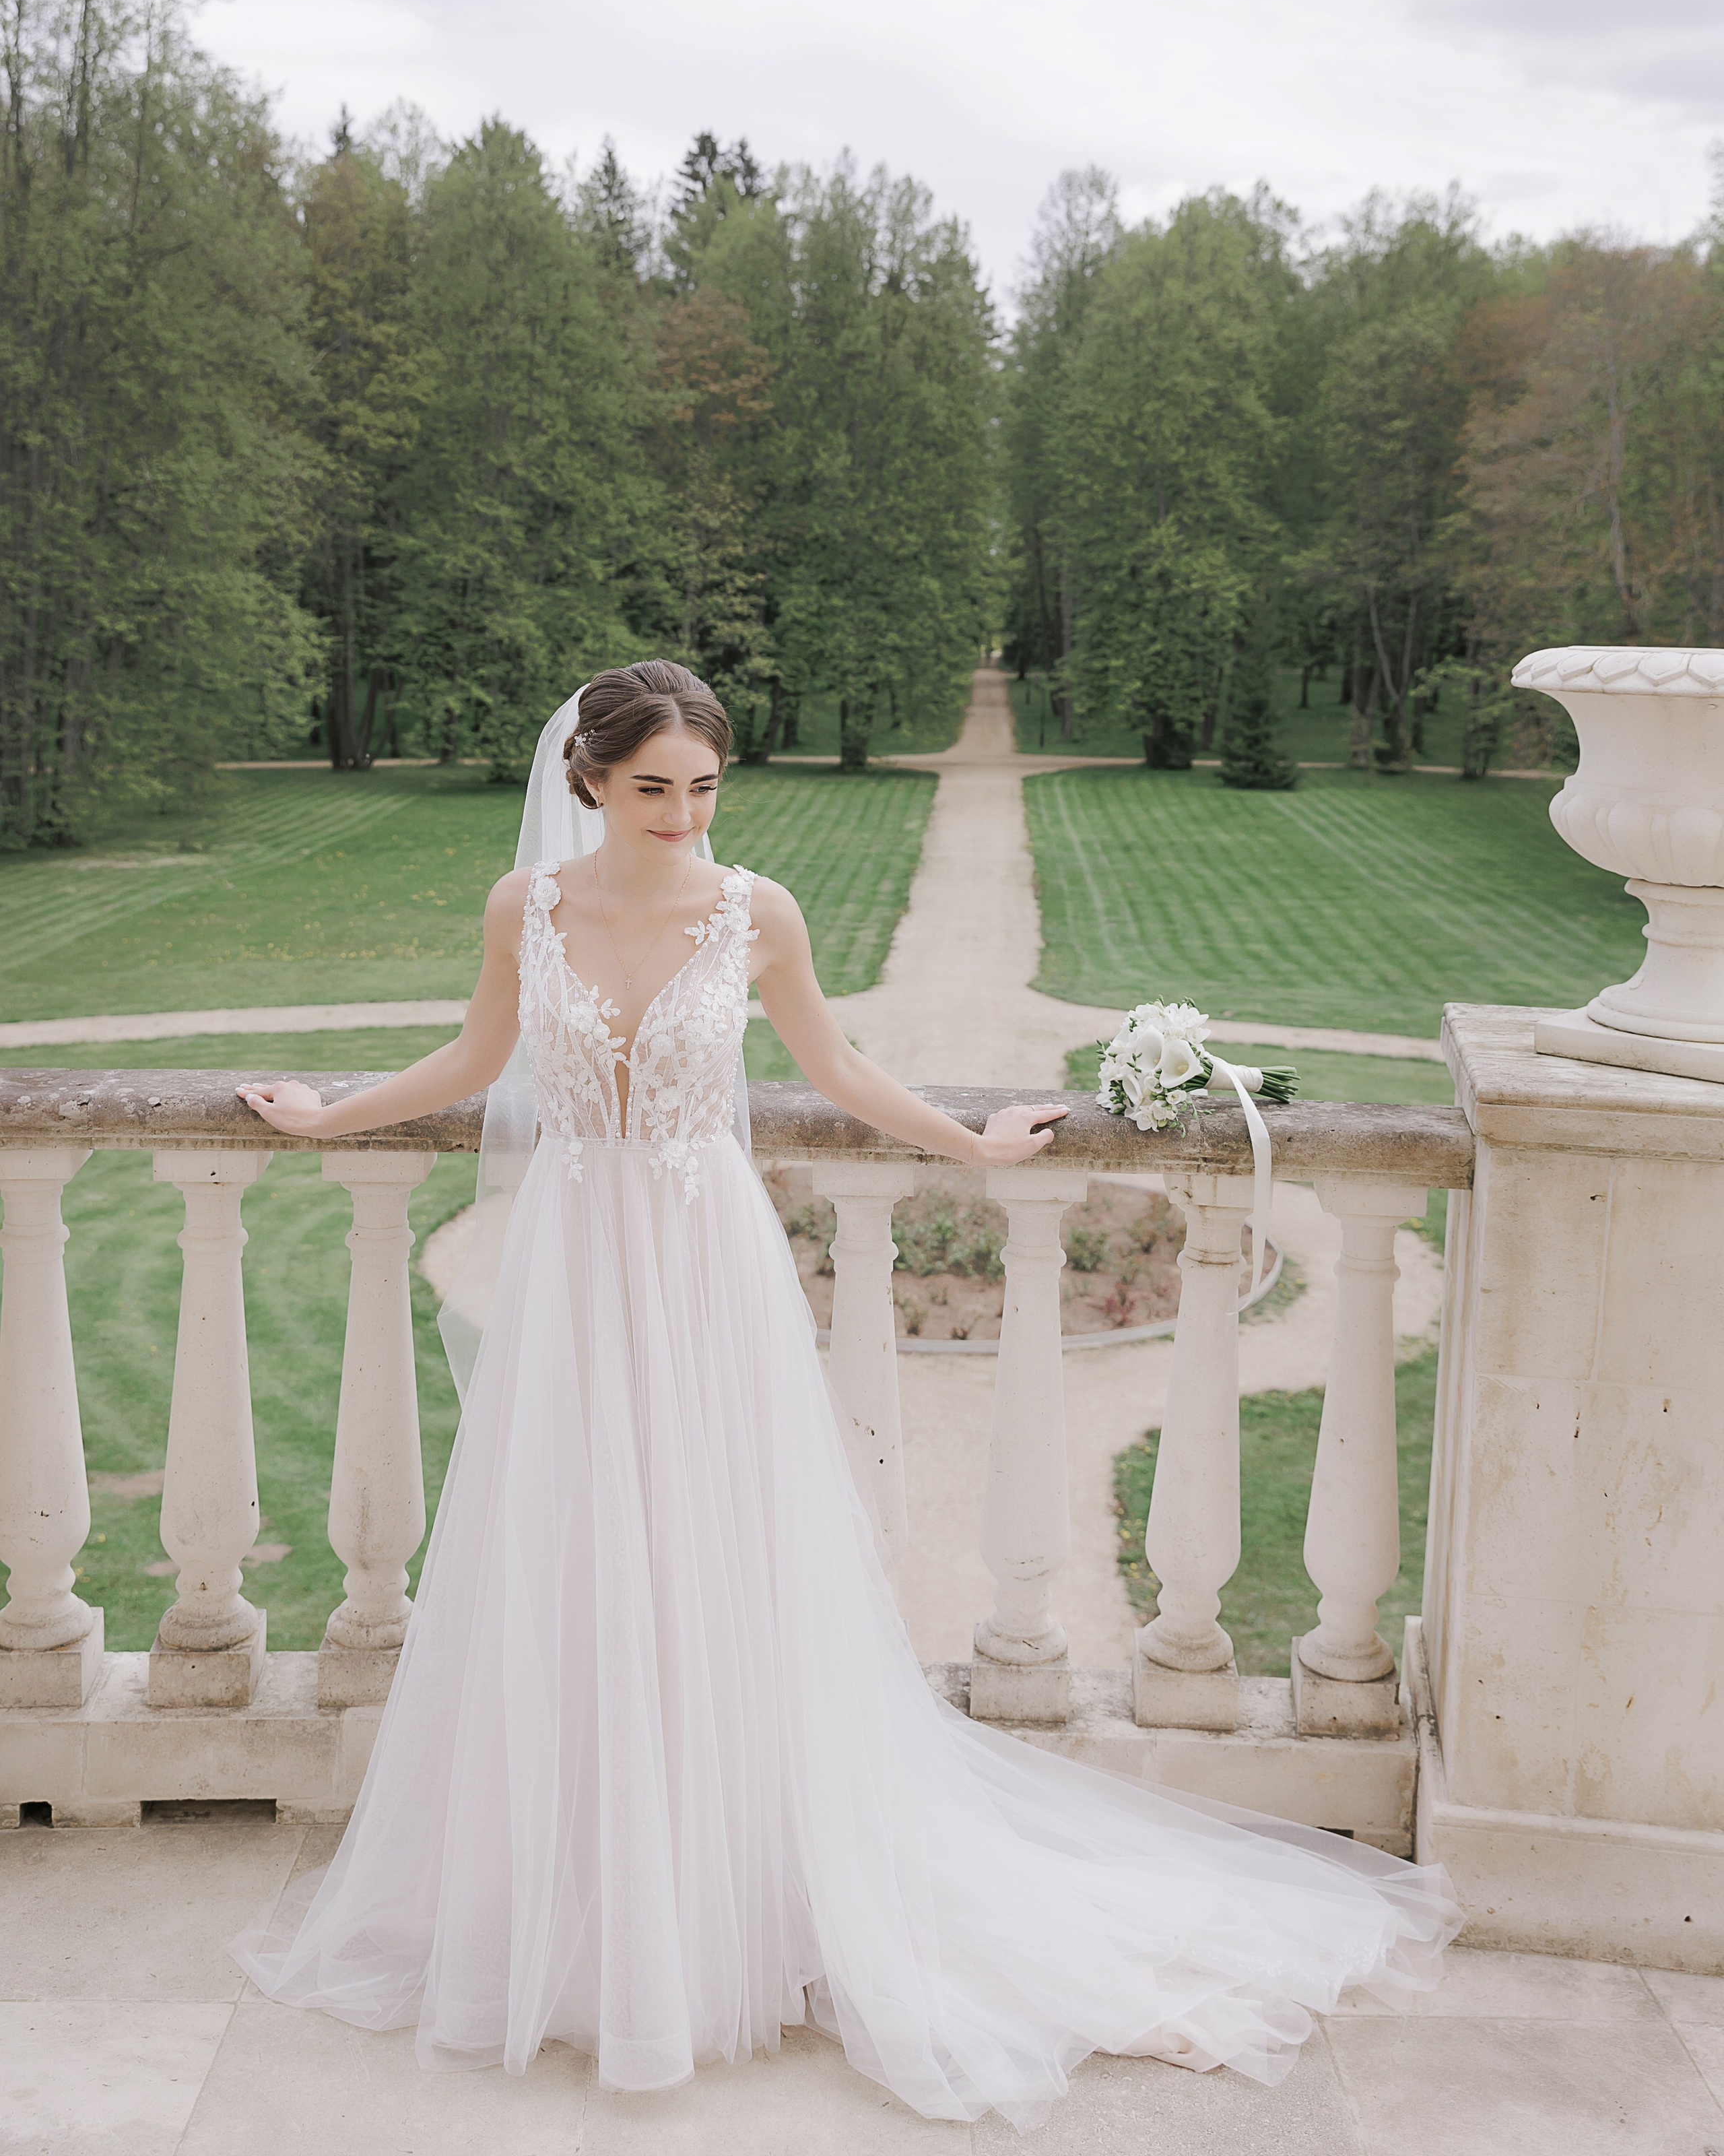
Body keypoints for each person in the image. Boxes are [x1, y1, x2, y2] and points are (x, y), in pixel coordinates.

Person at [232, 659, 1457, 2130]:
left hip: (705, 1266)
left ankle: (748, 1881)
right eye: (650, 788)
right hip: (577, 1265)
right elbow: (477, 1058)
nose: (681, 815)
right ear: (588, 782)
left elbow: (838, 1064)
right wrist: (328, 1114)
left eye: (702, 787)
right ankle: (598, 1888)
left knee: (720, 1554)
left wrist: (971, 1146)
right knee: (575, 1549)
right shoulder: (525, 909)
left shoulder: (757, 912)